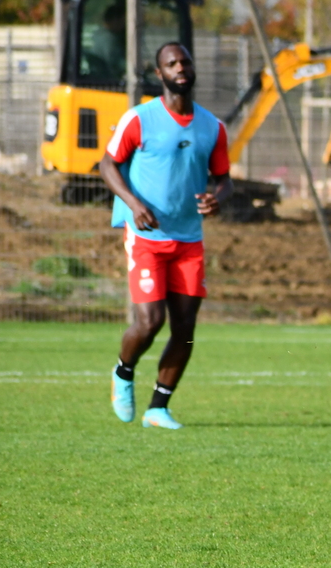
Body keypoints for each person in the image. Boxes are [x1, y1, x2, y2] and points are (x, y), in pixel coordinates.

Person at [100, 41, 232, 430]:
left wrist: (218, 198)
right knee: (149, 321)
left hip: (189, 240)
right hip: (147, 237)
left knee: (185, 329)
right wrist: (133, 204)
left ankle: (158, 407)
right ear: (160, 74)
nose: (180, 67)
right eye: (171, 63)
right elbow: (107, 164)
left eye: (184, 61)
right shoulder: (139, 119)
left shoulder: (212, 127)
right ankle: (123, 372)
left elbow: (225, 180)